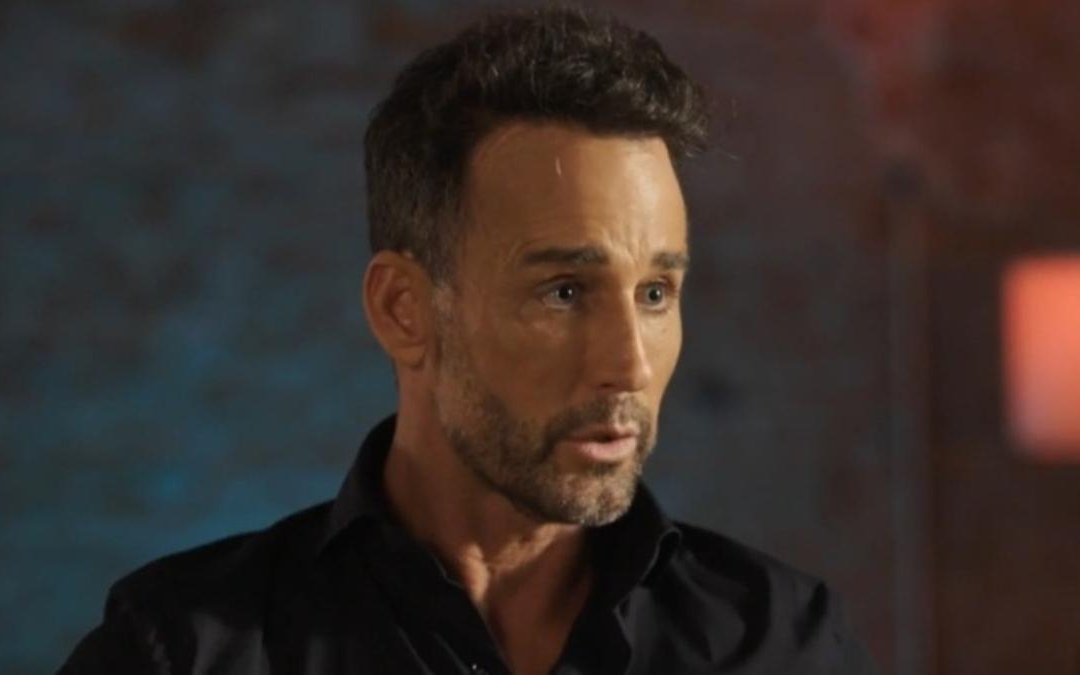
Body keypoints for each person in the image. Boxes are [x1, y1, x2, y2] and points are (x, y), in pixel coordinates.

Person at [61, 6, 876, 674]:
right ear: (404, 310)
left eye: (655, 292)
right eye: (564, 291)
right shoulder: (182, 651)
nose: (628, 363)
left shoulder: (781, 644)